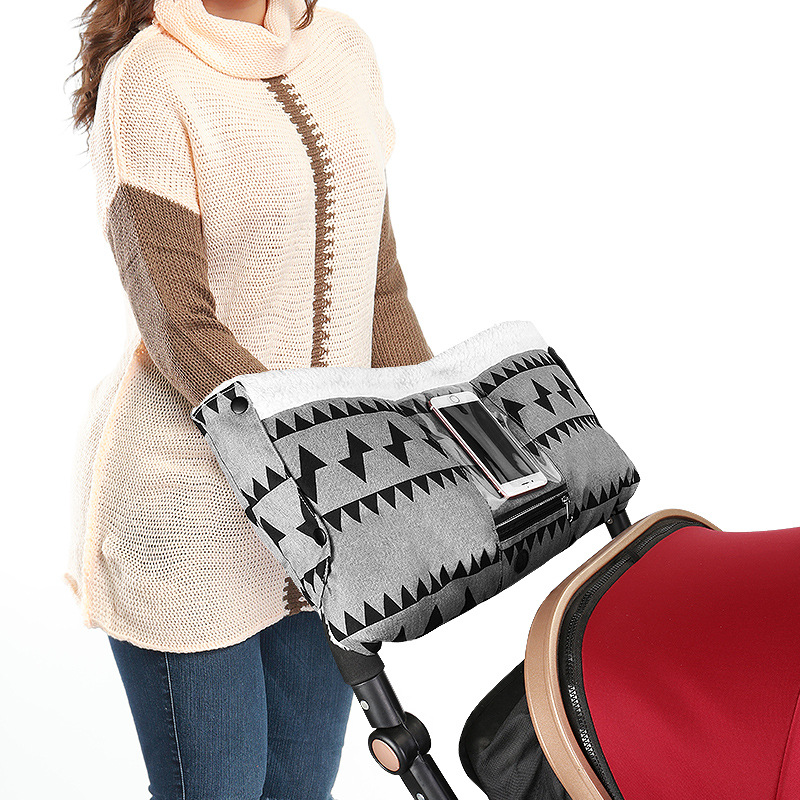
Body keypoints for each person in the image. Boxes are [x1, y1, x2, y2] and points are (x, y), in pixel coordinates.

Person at [66, 1, 434, 797]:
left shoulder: (345, 49)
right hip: (190, 518)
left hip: (329, 512)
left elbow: (378, 286)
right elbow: (180, 326)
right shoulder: (149, 79)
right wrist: (327, 456)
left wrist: (432, 437)